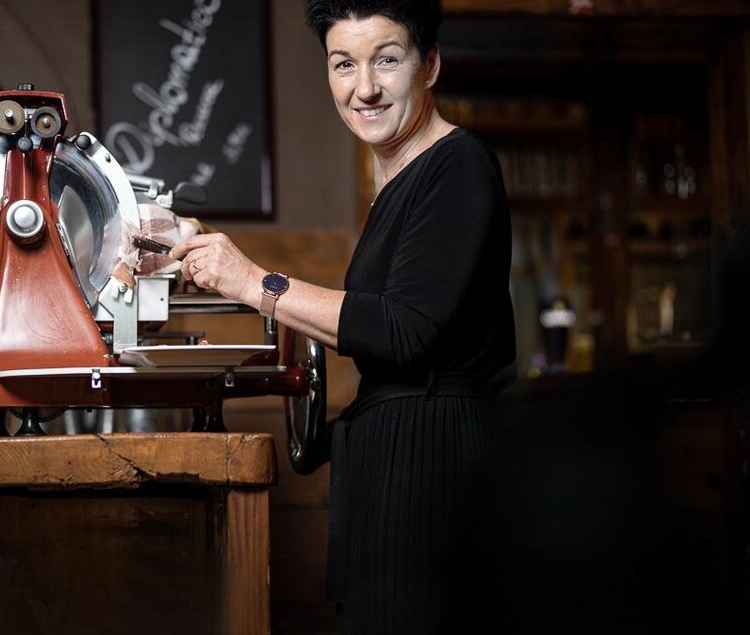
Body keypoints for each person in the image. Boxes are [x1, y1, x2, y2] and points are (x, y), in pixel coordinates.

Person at [169, 0, 515, 631]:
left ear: (429, 64)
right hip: (392, 469)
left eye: (386, 60)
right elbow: (371, 321)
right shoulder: (399, 183)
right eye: (343, 64)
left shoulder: (458, 164)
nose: (364, 88)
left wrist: (251, 281)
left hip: (433, 474)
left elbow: (402, 327)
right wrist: (214, 265)